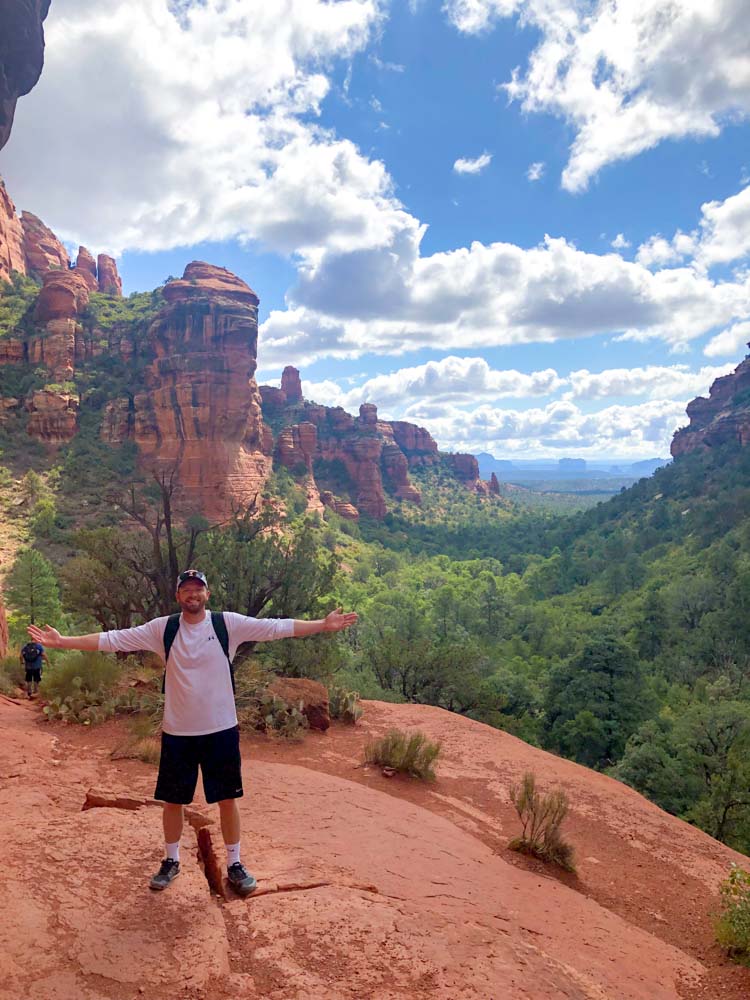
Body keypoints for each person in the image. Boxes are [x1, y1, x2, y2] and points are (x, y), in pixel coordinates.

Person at [27, 568, 357, 895]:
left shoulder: (226, 623)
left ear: (207, 594)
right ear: (178, 596)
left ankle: (234, 863)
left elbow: (275, 628)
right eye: (186, 589)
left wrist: (321, 625)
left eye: (198, 589)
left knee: (227, 799)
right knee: (173, 801)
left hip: (221, 730)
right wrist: (62, 642)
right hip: (178, 732)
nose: (192, 594)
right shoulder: (164, 629)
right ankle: (171, 860)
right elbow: (113, 639)